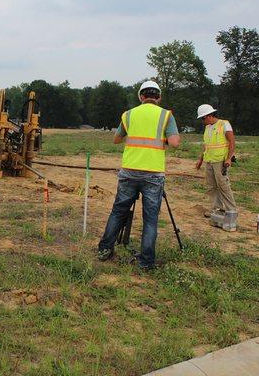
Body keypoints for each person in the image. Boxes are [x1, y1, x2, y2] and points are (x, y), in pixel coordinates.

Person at [96, 81, 180, 270]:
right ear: (158, 97)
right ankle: (146, 261)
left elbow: (116, 139)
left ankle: (105, 250)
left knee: (118, 212)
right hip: (153, 174)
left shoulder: (129, 114)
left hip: (129, 171)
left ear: (141, 97)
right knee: (150, 219)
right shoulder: (166, 115)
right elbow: (174, 142)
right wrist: (163, 138)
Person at [195, 104, 237, 219]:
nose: (203, 121)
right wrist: (201, 159)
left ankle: (231, 211)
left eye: (203, 118)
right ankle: (217, 209)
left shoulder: (224, 124)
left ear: (209, 116)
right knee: (212, 186)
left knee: (223, 185)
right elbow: (206, 145)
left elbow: (232, 142)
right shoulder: (207, 127)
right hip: (209, 161)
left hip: (220, 161)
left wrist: (229, 158)